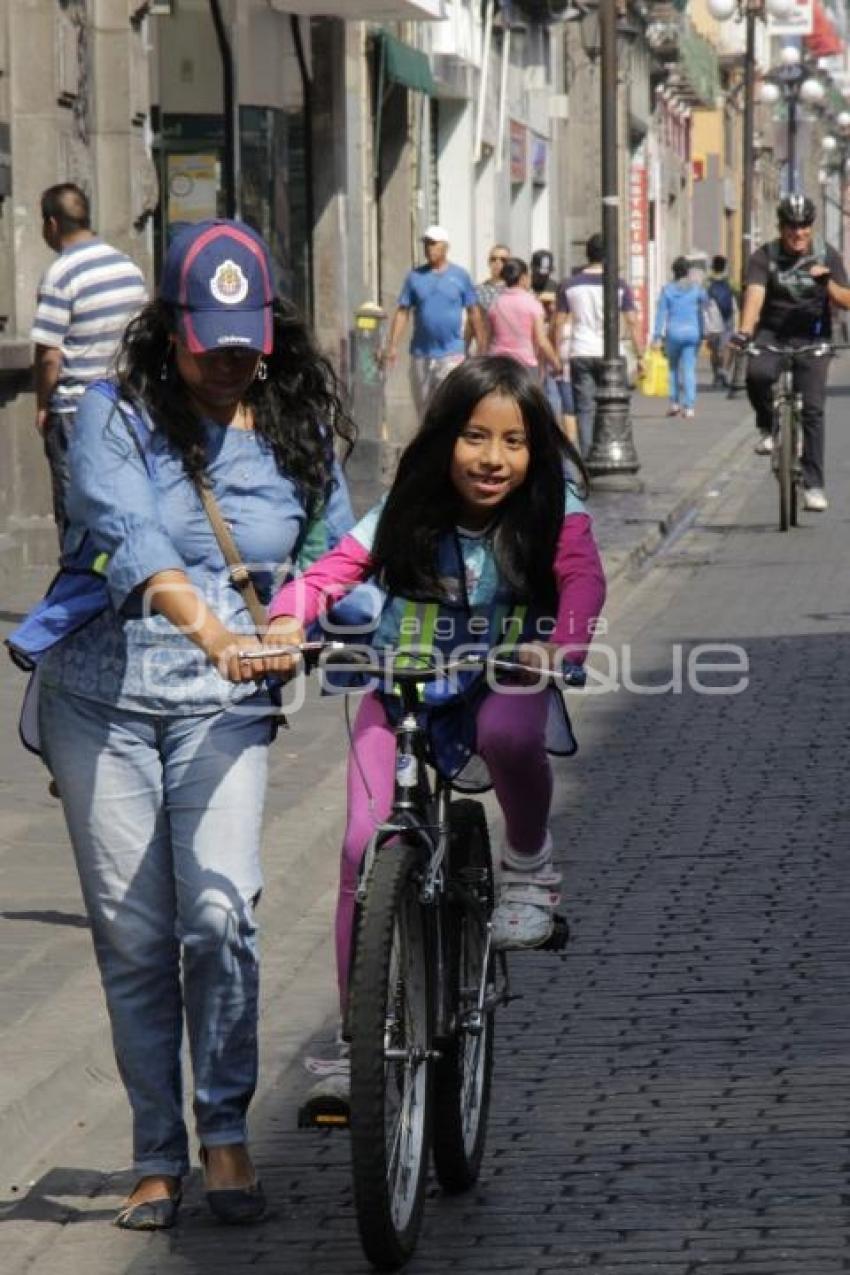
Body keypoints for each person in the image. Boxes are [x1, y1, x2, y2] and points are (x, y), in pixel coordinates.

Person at [36, 219, 355, 1230]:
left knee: (220, 918)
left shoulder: (297, 427)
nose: (225, 364)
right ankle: (154, 1153)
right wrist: (213, 629)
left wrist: (318, 612)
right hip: (104, 702)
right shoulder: (111, 417)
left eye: (242, 344)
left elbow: (334, 557)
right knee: (134, 937)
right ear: (169, 327)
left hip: (225, 710)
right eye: (207, 342)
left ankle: (223, 1132)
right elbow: (125, 536)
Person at [263, 356, 607, 1109]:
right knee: (362, 842)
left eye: (513, 442)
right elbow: (335, 569)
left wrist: (561, 646)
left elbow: (582, 580)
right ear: (444, 438)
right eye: (475, 437)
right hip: (401, 677)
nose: (492, 458)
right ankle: (361, 1045)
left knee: (512, 735)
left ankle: (528, 862)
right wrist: (291, 613)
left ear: (535, 449)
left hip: (506, 669)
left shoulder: (557, 505)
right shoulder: (405, 506)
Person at [31, 183, 147, 541]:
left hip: (75, 410)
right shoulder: (128, 267)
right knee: (125, 498)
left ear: (51, 224)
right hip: (126, 403)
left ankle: (80, 581)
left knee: (75, 510)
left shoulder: (61, 274)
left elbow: (50, 354)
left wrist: (42, 403)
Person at [733, 193, 850, 512]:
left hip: (812, 336)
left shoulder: (827, 254)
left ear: (811, 227)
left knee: (812, 408)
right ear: (781, 226)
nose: (798, 233)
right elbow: (755, 297)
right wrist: (744, 333)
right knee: (757, 374)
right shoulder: (764, 257)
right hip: (773, 332)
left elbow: (845, 299)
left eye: (804, 227)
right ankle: (767, 424)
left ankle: (814, 485)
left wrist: (826, 281)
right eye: (791, 226)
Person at [381, 224, 488, 417]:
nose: (429, 249)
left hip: (451, 353)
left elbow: (473, 311)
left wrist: (481, 344)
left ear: (445, 247)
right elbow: (403, 311)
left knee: (447, 404)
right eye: (426, 245)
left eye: (433, 244)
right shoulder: (414, 277)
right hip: (422, 353)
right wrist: (392, 345)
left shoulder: (460, 276)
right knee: (424, 409)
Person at [554, 232, 645, 455]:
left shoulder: (570, 285)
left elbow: (558, 323)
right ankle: (614, 451)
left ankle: (587, 458)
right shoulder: (619, 285)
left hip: (581, 351)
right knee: (615, 407)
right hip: (612, 354)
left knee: (584, 409)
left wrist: (556, 354)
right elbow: (632, 321)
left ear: (588, 254)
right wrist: (641, 355)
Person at [651, 256, 707, 420]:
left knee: (673, 369)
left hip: (674, 333)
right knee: (689, 369)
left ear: (673, 271)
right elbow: (706, 303)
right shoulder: (696, 289)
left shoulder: (667, 290)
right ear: (688, 271)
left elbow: (661, 314)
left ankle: (674, 404)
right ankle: (689, 407)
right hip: (692, 332)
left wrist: (657, 336)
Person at [486, 256, 561, 377]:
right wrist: (556, 362)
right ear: (523, 278)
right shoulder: (532, 304)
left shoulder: (495, 304)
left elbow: (489, 337)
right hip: (524, 364)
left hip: (497, 364)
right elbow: (541, 340)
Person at [706, 254, 736, 387]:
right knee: (727, 345)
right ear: (724, 267)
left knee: (713, 349)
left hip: (712, 319)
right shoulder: (730, 281)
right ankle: (724, 371)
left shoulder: (707, 282)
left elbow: (701, 300)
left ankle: (716, 374)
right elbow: (739, 295)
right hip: (727, 316)